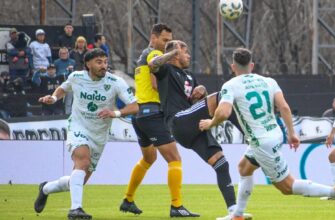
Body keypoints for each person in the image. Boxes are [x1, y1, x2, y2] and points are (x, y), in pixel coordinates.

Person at [198, 48, 335, 220]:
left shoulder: (230, 85)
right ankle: (238, 215)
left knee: (287, 187)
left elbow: (223, 112)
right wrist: (292, 133)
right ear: (252, 65)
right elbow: (284, 107)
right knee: (244, 167)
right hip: (274, 133)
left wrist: (210, 123)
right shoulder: (268, 81)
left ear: (233, 66)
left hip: (262, 142)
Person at [149, 40, 250, 220]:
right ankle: (250, 136)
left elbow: (197, 105)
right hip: (178, 121)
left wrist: (201, 92)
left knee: (221, 164)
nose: (188, 56)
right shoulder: (166, 70)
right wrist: (172, 53)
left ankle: (234, 212)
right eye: (185, 52)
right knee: (221, 96)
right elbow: (152, 65)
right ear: (176, 54)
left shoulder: (189, 76)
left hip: (192, 130)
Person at [34, 48, 139, 219]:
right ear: (88, 64)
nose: (103, 65)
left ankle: (45, 188)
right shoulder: (76, 77)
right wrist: (53, 98)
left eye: (105, 62)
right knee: (82, 161)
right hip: (78, 127)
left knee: (78, 180)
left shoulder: (115, 82)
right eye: (99, 62)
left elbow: (134, 106)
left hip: (99, 134)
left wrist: (115, 113)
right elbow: (63, 89)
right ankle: (76, 209)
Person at [119, 24, 198, 217]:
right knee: (175, 159)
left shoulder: (141, 57)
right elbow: (155, 84)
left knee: (149, 158)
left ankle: (128, 199)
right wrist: (172, 57)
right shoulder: (153, 53)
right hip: (153, 113)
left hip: (140, 114)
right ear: (153, 37)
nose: (167, 44)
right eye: (164, 40)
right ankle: (177, 206)